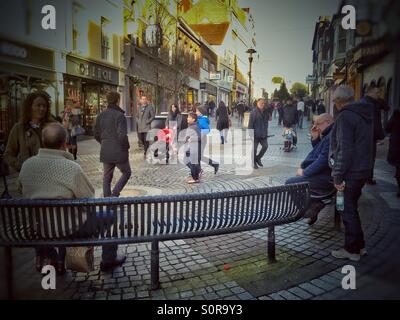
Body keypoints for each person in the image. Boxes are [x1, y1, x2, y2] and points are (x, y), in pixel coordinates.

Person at [18, 122, 126, 273]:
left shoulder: (27, 165)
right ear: (64, 143)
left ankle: (59, 261)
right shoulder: (71, 168)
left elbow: (22, 191)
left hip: (40, 229)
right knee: (110, 215)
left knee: (58, 219)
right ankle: (109, 259)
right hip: (71, 229)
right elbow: (88, 198)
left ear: (43, 142)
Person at [329, 85, 373, 261]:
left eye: (334, 101)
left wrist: (337, 175)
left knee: (347, 210)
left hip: (350, 172)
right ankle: (359, 246)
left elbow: (344, 149)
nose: (335, 104)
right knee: (351, 209)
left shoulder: (345, 117)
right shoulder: (364, 114)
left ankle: (351, 250)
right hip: (363, 169)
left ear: (339, 101)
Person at [285, 114, 335, 225]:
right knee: (295, 182)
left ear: (327, 122)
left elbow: (322, 160)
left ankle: (311, 208)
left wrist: (305, 172)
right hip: (322, 175)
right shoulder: (327, 134)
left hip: (325, 178)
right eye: (314, 124)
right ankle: (314, 205)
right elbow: (319, 152)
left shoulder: (331, 136)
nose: (315, 127)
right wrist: (315, 137)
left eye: (318, 124)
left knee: (290, 183)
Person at [4, 91, 55, 173]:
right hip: (28, 179)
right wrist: (23, 166)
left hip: (50, 175)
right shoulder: (19, 128)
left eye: (44, 106)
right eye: (38, 105)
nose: (42, 109)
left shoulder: (52, 126)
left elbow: (61, 150)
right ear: (30, 107)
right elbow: (8, 155)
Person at [94, 91, 132, 198]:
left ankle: (107, 199)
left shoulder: (101, 115)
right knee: (126, 172)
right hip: (119, 150)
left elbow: (96, 134)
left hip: (106, 150)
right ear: (118, 100)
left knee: (107, 176)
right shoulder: (120, 116)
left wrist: (105, 142)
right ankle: (115, 195)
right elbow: (122, 135)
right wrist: (126, 147)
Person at [361, 85, 390, 185]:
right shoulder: (369, 104)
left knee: (368, 157)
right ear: (370, 93)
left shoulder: (371, 102)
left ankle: (367, 177)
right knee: (369, 157)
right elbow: (375, 121)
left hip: (367, 134)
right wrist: (381, 136)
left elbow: (386, 107)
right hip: (369, 135)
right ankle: (367, 178)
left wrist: (378, 99)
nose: (378, 95)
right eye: (376, 93)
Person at [195, 106, 219, 174]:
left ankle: (214, 164)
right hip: (198, 139)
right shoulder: (199, 119)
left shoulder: (203, 119)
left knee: (199, 156)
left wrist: (199, 135)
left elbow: (207, 130)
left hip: (202, 139)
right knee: (198, 156)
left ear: (201, 112)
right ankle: (198, 170)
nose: (196, 112)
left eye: (197, 111)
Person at [248, 98, 270, 169]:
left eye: (264, 103)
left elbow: (266, 123)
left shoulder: (266, 111)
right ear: (257, 103)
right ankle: (253, 162)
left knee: (265, 146)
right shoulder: (253, 112)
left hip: (263, 134)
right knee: (254, 149)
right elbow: (250, 124)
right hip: (255, 134)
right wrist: (251, 134)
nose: (263, 104)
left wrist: (266, 132)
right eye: (261, 103)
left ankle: (257, 158)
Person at [386, 110, 400, 197]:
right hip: (396, 145)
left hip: (397, 144)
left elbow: (387, 128)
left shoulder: (396, 115)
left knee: (398, 166)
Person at [184, 112, 201, 184]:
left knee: (191, 162)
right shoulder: (191, 126)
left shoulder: (195, 126)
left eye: (189, 117)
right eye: (187, 117)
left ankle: (195, 178)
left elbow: (199, 137)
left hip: (194, 148)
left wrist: (192, 139)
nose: (187, 118)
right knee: (188, 161)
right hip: (191, 147)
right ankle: (197, 173)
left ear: (193, 119)